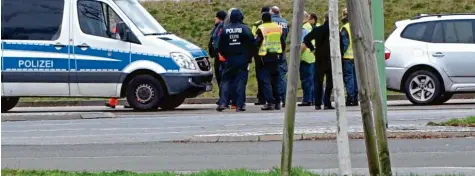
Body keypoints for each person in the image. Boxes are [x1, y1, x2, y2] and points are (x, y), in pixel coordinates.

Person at [216, 8, 254, 112]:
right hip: (242, 60)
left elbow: (219, 46)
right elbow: (252, 45)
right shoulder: (245, 29)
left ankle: (223, 103)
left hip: (229, 59)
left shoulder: (225, 30)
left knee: (226, 81)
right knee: (241, 81)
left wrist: (226, 56)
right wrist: (248, 58)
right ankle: (240, 104)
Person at [255, 12, 285, 111]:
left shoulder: (261, 28)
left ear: (262, 19)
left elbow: (257, 42)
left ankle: (270, 102)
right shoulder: (278, 27)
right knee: (276, 80)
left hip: (265, 57)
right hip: (276, 56)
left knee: (265, 81)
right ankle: (278, 102)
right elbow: (283, 43)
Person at [304, 14, 335, 110]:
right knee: (330, 82)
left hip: (319, 58)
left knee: (318, 81)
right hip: (331, 58)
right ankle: (327, 102)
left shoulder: (318, 29)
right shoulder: (334, 31)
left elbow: (306, 39)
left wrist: (313, 49)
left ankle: (317, 103)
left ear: (325, 19)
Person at [270, 6, 289, 108]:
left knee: (272, 77)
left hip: (271, 51)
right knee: (282, 77)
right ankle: (285, 99)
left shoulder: (270, 22)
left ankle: (275, 100)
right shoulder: (284, 22)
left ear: (272, 12)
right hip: (282, 51)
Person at [251, 6, 270, 105]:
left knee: (260, 76)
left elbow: (253, 39)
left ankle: (262, 98)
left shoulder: (257, 24)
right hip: (273, 53)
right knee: (273, 77)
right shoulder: (275, 25)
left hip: (260, 54)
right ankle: (274, 99)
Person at [340, 8, 358, 106]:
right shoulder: (356, 26)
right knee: (355, 78)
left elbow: (344, 44)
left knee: (349, 78)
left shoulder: (345, 28)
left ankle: (350, 97)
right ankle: (355, 98)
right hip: (356, 57)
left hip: (347, 57)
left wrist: (340, 54)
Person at [298, 11, 316, 107]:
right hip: (311, 56)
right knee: (311, 80)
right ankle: (312, 99)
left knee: (306, 80)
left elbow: (304, 44)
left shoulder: (304, 28)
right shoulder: (310, 26)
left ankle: (307, 100)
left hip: (305, 57)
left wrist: (297, 56)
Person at [209, 10, 227, 105]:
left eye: (215, 17)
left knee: (222, 78)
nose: (214, 19)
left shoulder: (221, 27)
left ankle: (224, 99)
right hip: (219, 56)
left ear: (218, 18)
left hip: (220, 57)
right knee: (221, 78)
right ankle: (223, 98)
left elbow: (217, 41)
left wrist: (217, 52)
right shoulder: (219, 26)